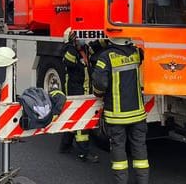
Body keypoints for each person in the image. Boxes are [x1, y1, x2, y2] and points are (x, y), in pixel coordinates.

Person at [92, 37, 149, 184]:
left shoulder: (106, 57)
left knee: (118, 148)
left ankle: (121, 181)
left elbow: (100, 84)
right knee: (140, 148)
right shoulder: (136, 53)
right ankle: (142, 181)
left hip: (117, 115)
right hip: (137, 113)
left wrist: (97, 93)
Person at [58, 27, 99, 163]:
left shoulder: (85, 49)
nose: (83, 40)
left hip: (85, 88)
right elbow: (69, 62)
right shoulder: (69, 51)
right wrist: (73, 46)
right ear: (72, 39)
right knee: (82, 121)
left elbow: (95, 49)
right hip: (75, 89)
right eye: (79, 37)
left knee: (72, 118)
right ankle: (84, 152)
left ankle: (65, 146)